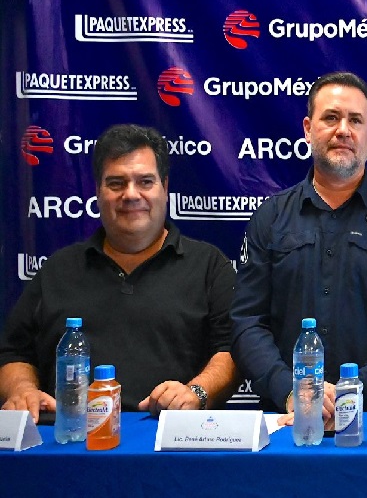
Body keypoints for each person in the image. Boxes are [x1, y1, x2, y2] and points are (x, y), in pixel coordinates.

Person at [231, 71, 367, 420]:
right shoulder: (270, 217)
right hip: (288, 419)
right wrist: (289, 389)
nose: (344, 129)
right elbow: (247, 323)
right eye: (331, 118)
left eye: (356, 120)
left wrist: (355, 389)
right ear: (308, 128)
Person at [0, 124, 237, 414]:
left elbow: (231, 350)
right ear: (97, 191)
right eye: (116, 183)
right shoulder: (57, 270)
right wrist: (22, 391)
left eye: (145, 182)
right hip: (71, 442)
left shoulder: (209, 266)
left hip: (171, 440)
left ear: (165, 187)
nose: (131, 194)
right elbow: (14, 352)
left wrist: (196, 391)